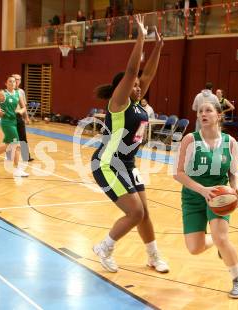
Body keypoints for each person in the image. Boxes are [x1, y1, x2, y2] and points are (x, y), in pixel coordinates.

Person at [91, 16, 168, 274]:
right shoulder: (119, 103)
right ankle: (105, 247)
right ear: (121, 88)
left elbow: (147, 74)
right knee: (135, 212)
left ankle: (153, 255)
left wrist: (158, 46)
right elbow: (135, 71)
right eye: (133, 85)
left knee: (145, 212)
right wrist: (141, 37)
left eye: (139, 86)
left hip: (127, 163)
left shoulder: (136, 101)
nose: (138, 87)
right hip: (107, 163)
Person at [173, 100, 238, 299]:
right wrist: (202, 190)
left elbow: (234, 173)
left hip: (219, 197)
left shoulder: (230, 142)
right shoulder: (190, 139)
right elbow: (178, 173)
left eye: (208, 110)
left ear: (219, 116)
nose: (202, 114)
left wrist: (236, 190)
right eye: (200, 111)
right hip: (193, 196)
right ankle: (216, 242)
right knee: (194, 249)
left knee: (222, 237)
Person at [0, 76, 29, 178]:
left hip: (14, 121)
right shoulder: (1, 93)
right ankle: (16, 169)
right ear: (6, 83)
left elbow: (24, 106)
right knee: (17, 145)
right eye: (10, 82)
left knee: (8, 146)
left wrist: (21, 111)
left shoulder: (17, 94)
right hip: (6, 122)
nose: (12, 83)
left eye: (14, 82)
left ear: (16, 84)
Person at [13, 74, 33, 162]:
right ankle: (11, 156)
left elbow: (23, 106)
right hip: (10, 118)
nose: (17, 81)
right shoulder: (7, 92)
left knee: (23, 137)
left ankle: (26, 157)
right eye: (15, 79)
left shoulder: (21, 92)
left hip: (19, 117)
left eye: (18, 79)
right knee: (12, 138)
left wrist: (27, 118)